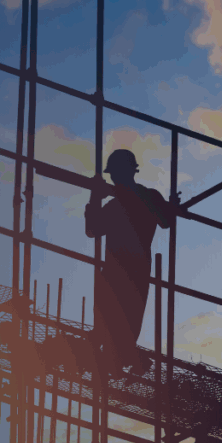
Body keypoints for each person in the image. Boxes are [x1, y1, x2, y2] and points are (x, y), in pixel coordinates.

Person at [85, 149, 172, 374]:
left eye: (114, 174)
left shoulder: (144, 197)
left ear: (125, 172)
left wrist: (96, 196)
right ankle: (112, 359)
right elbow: (93, 229)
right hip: (122, 269)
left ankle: (116, 359)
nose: (113, 179)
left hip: (130, 269)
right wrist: (95, 197)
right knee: (110, 320)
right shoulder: (117, 204)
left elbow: (165, 220)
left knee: (124, 320)